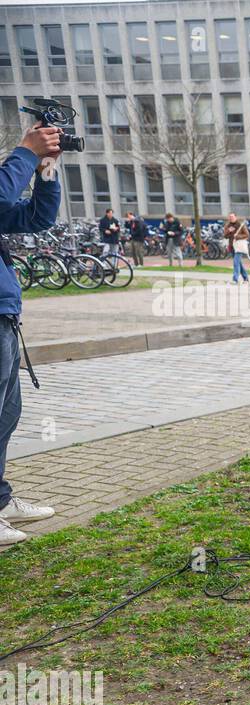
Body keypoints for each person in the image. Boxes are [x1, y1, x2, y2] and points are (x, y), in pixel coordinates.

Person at [0, 122, 62, 547]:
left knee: (7, 417)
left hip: (5, 318)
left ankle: (1, 501)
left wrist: (45, 171)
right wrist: (25, 149)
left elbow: (36, 218)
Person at [224, 212, 250, 283]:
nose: (231, 218)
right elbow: (225, 236)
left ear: (236, 217)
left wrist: (237, 236)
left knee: (236, 262)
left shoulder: (240, 225)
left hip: (239, 246)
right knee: (239, 263)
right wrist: (229, 231)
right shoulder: (228, 225)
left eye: (232, 217)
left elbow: (247, 235)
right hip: (232, 246)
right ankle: (246, 278)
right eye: (230, 217)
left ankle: (235, 279)